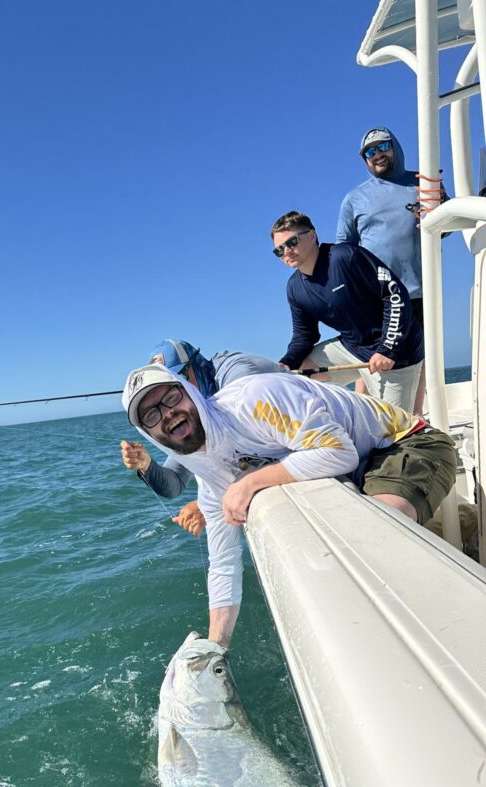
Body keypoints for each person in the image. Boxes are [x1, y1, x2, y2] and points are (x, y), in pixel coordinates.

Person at [122, 361, 456, 649]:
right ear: (148, 433)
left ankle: (451, 623)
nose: (168, 413)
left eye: (171, 397)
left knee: (376, 536)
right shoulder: (210, 477)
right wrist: (215, 646)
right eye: (152, 414)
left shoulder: (252, 401)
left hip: (405, 442)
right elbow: (223, 562)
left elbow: (339, 452)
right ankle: (439, 527)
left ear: (190, 391)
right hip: (357, 471)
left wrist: (250, 482)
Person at [120, 339, 283, 535]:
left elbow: (271, 449)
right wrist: (146, 465)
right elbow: (174, 485)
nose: (169, 410)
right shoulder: (195, 415)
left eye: (179, 380)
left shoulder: (237, 377)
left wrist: (205, 505)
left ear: (197, 365)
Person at [336, 126, 446, 413]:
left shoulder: (425, 181)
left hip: (421, 290)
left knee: (418, 358)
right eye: (369, 152)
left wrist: (434, 218)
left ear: (395, 146)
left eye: (382, 146)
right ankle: (364, 416)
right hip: (376, 297)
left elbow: (445, 228)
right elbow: (344, 250)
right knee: (371, 356)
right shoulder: (354, 198)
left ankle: (416, 419)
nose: (377, 155)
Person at [272, 210, 424, 412]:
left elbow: (395, 295)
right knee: (296, 375)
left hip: (396, 353)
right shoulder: (294, 287)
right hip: (353, 348)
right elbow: (304, 335)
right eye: (279, 250)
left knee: (394, 429)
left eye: (291, 243)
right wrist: (286, 362)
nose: (286, 252)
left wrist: (387, 349)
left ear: (311, 235)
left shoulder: (346, 256)